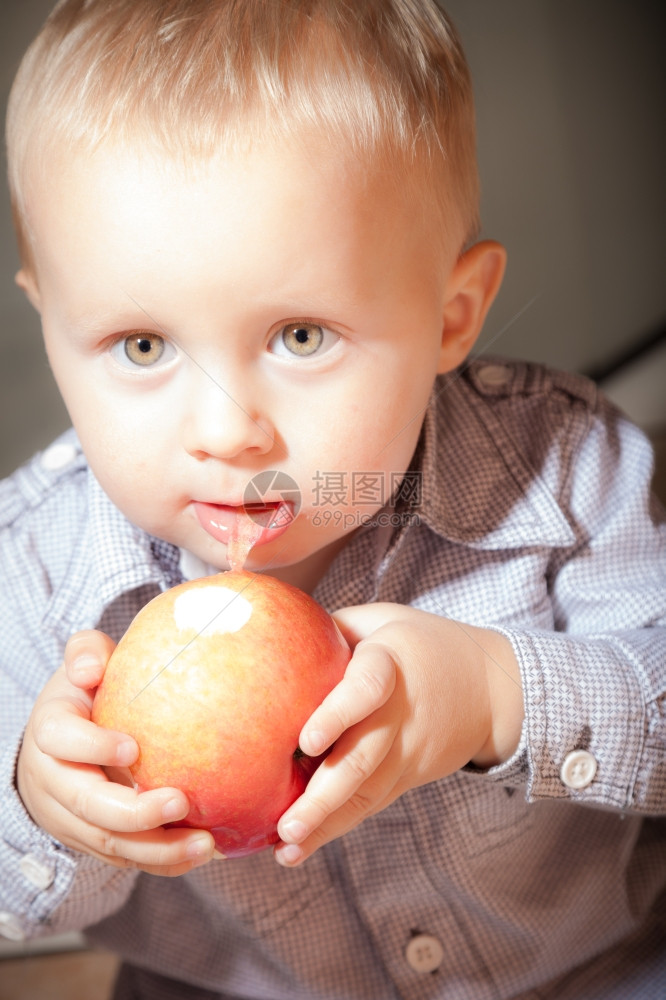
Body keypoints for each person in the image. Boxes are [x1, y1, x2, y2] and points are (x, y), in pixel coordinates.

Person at [1, 1, 664, 997]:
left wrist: (495, 695)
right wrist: (41, 801)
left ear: (451, 317)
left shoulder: (566, 471)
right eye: (142, 347)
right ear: (49, 321)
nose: (228, 433)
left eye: (301, 336)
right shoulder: (33, 566)